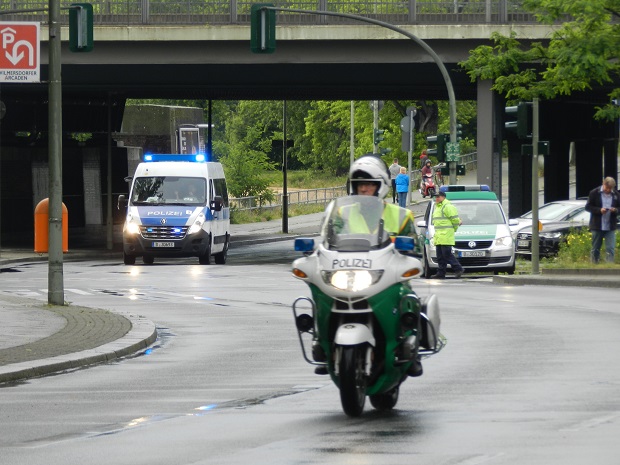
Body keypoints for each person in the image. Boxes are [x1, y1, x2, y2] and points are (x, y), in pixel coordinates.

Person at [585, 177, 620, 263]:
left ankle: (609, 266)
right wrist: (599, 210)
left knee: (610, 248)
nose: (608, 190)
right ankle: (594, 264)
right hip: (597, 225)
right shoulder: (594, 193)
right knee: (596, 248)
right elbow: (588, 207)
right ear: (603, 184)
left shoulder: (616, 194)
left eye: (610, 189)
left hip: (610, 226)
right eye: (607, 188)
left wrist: (615, 210)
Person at [430, 190, 464, 279]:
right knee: (440, 256)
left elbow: (455, 220)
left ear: (443, 197)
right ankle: (441, 273)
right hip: (439, 236)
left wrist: (454, 229)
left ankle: (458, 269)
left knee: (447, 254)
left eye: (438, 197)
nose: (436, 198)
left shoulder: (447, 206)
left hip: (446, 235)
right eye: (435, 197)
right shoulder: (437, 207)